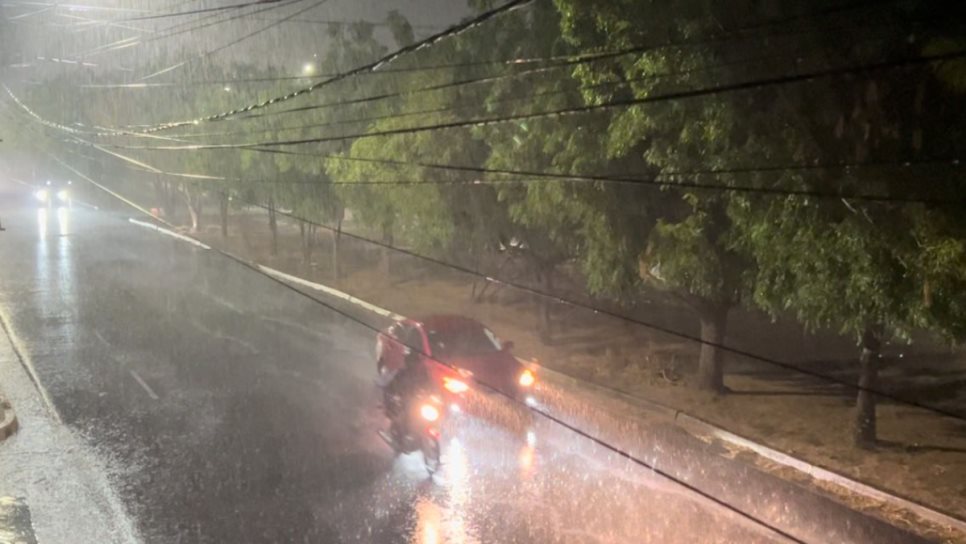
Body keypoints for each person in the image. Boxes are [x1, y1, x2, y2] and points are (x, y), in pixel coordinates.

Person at [380, 347, 431, 445]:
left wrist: (433, 395)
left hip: (419, 402)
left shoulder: (424, 374)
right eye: (412, 362)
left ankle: (417, 435)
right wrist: (395, 394)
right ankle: (396, 434)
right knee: (403, 415)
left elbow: (430, 385)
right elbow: (393, 384)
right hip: (406, 401)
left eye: (417, 363)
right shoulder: (403, 373)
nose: (415, 365)